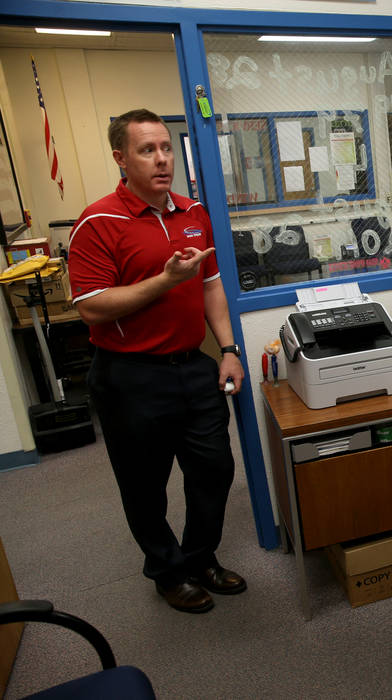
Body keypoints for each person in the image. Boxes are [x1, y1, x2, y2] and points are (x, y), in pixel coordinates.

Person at [68, 109, 246, 614]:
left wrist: (228, 349)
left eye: (166, 147)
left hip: (193, 367)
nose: (162, 158)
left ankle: (200, 557)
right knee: (144, 485)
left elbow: (211, 286)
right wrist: (165, 281)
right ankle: (168, 572)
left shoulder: (193, 212)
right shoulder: (98, 222)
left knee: (214, 469)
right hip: (129, 375)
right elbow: (91, 305)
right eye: (148, 150)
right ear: (121, 158)